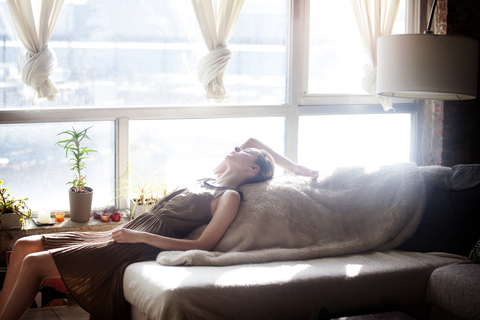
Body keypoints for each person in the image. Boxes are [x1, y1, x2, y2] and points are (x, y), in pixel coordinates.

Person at [0, 138, 318, 320]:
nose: (236, 148)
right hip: (130, 229)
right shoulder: (209, 179)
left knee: (33, 263)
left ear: (252, 169)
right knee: (25, 246)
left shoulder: (228, 196)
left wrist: (138, 236)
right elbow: (252, 141)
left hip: (137, 242)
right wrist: (296, 166)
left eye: (244, 155)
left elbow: (205, 245)